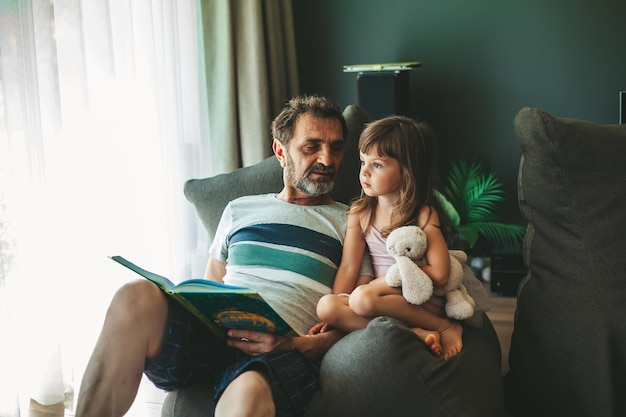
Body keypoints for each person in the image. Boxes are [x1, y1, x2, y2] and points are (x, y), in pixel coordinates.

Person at [75, 95, 372, 417]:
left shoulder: (353, 221)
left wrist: (303, 345)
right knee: (134, 296)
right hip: (213, 338)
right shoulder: (239, 209)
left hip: (281, 352)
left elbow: (360, 314)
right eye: (311, 146)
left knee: (248, 392)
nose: (327, 159)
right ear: (280, 152)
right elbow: (211, 286)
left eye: (336, 147)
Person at [316, 115, 475, 359]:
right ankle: (415, 333)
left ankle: (444, 327)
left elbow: (441, 273)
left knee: (362, 298)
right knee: (326, 306)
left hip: (420, 299)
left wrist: (383, 284)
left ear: (406, 171)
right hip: (377, 299)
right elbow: (349, 266)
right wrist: (338, 310)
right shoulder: (360, 212)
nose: (365, 173)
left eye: (377, 165)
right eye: (362, 162)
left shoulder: (423, 214)